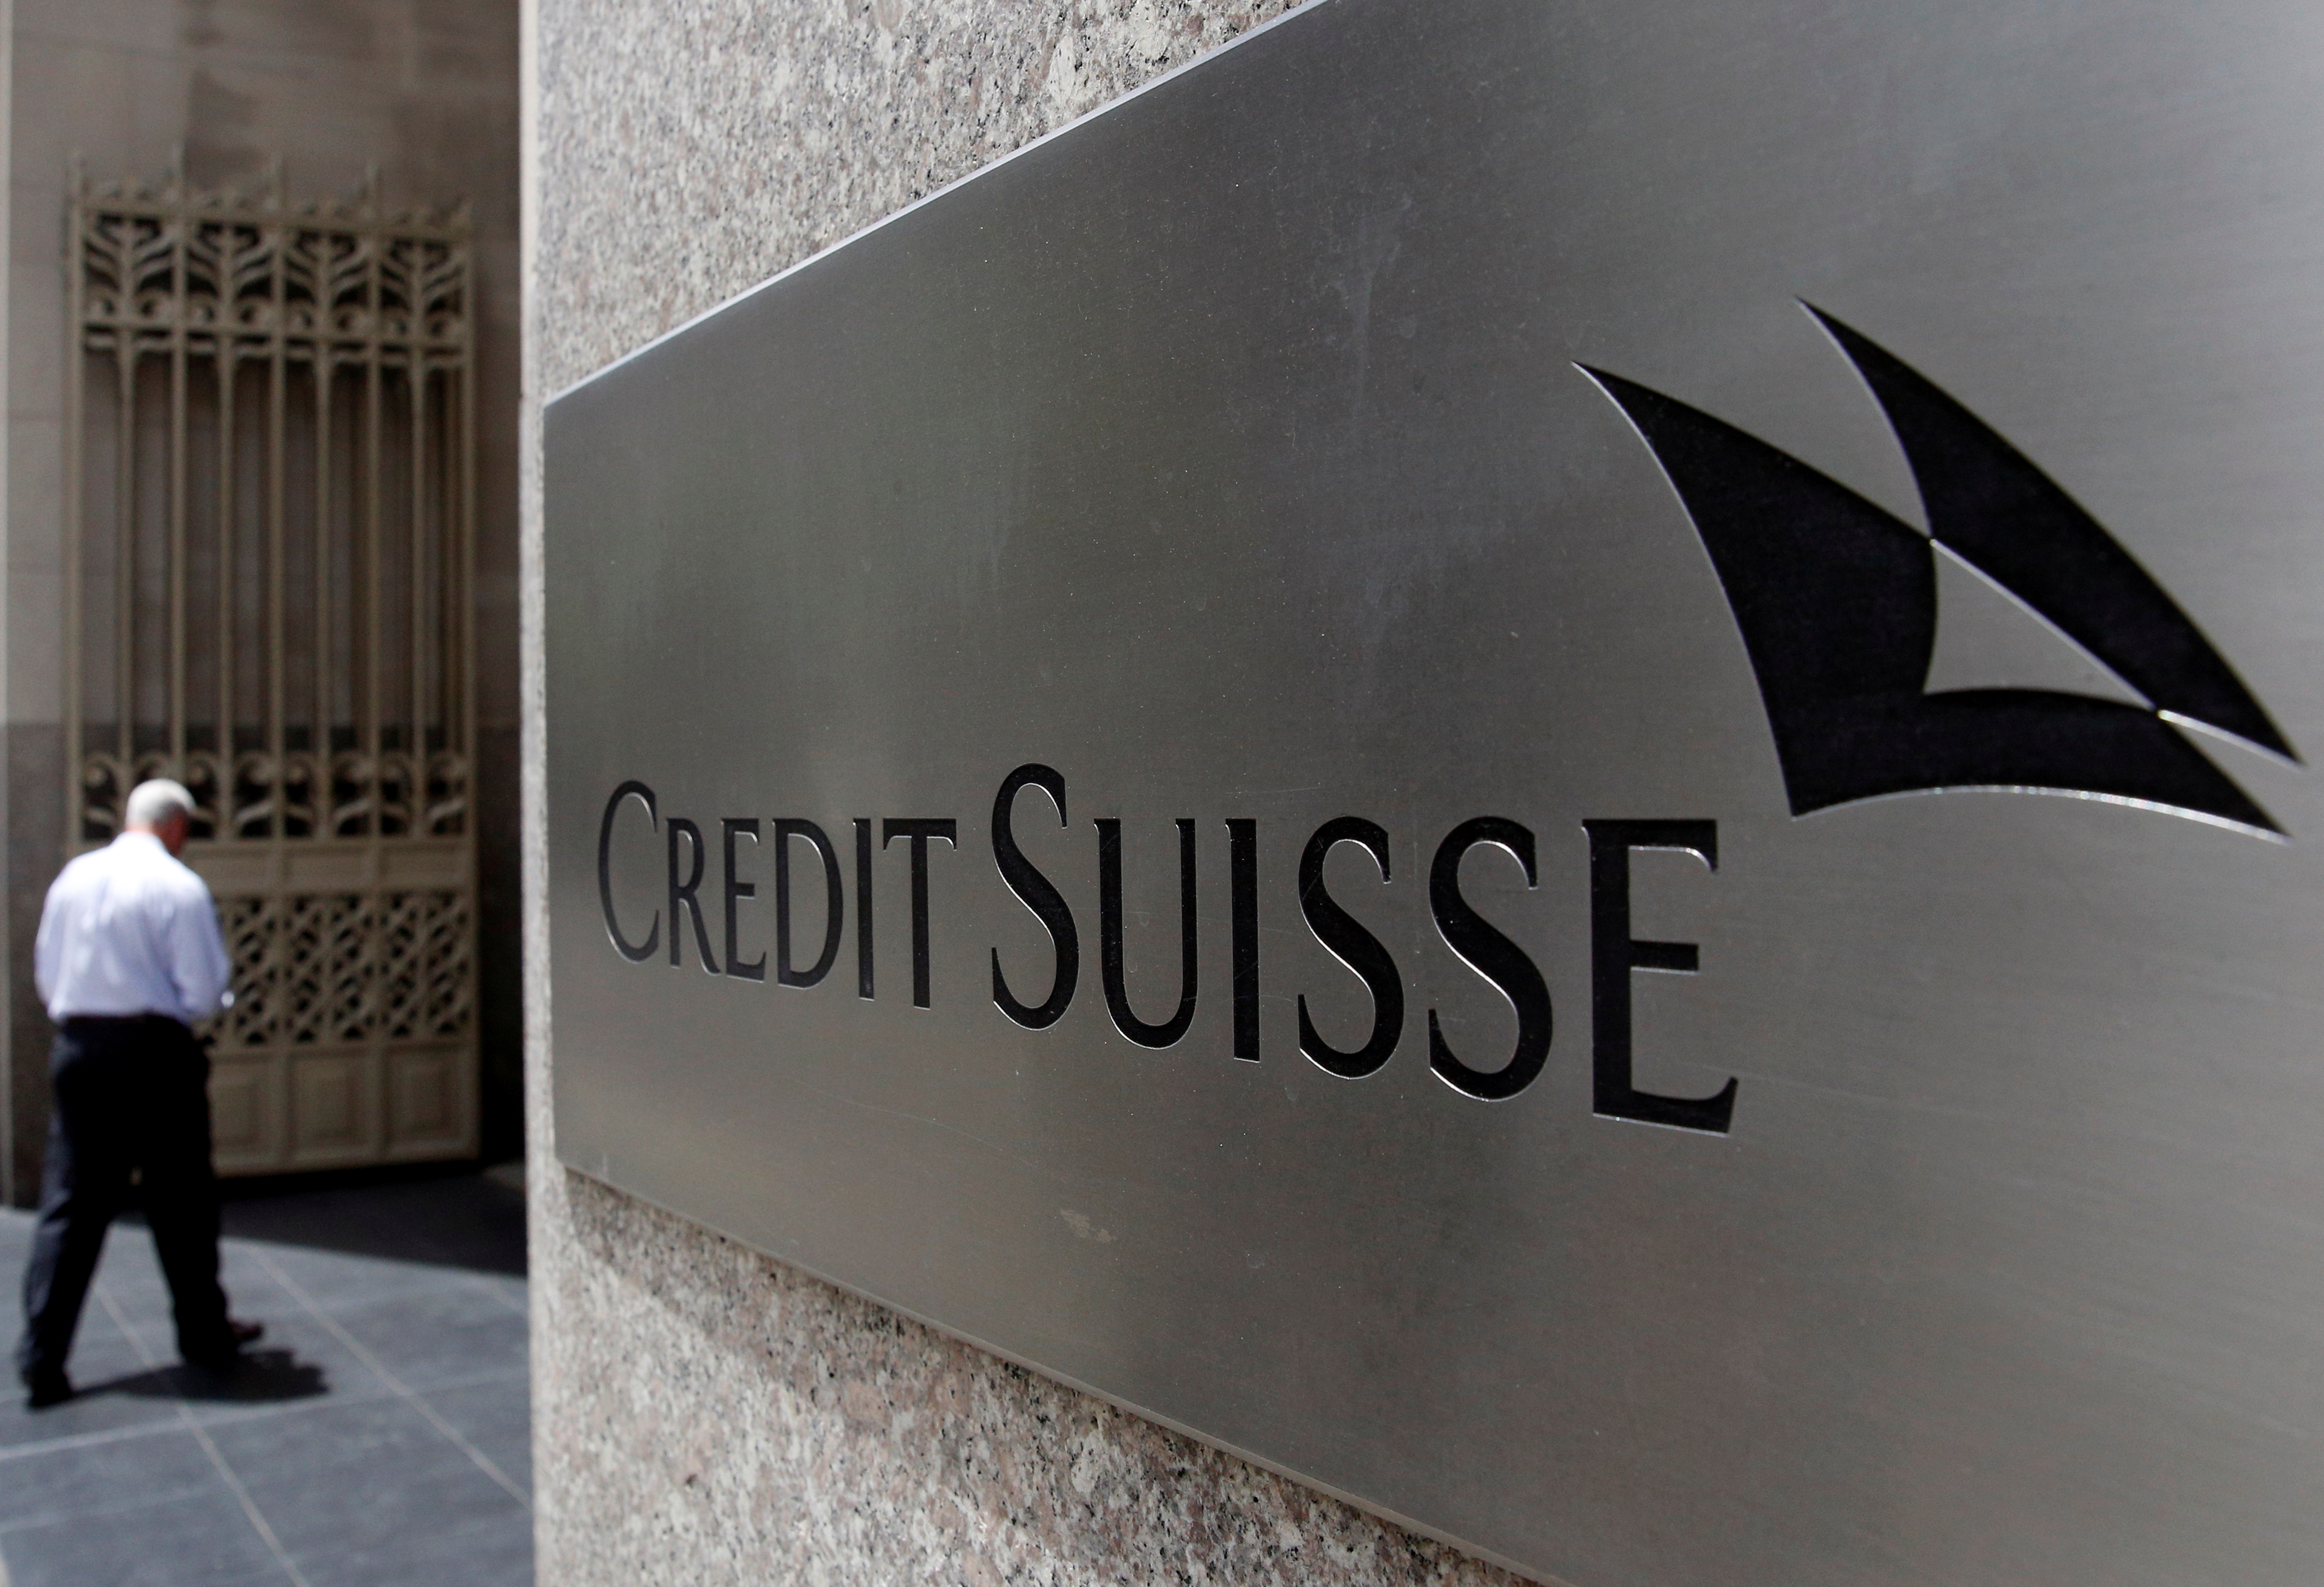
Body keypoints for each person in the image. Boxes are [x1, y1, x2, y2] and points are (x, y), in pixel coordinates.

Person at [16, 779, 261, 1408]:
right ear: (177, 826)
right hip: (153, 1054)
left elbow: (48, 973)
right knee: (181, 1200)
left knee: (70, 1204)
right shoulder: (177, 887)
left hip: (81, 1049)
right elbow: (204, 991)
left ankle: (43, 1355)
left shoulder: (74, 877)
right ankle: (203, 1333)